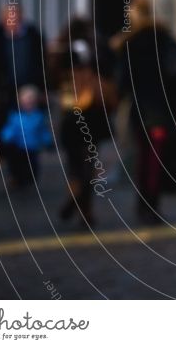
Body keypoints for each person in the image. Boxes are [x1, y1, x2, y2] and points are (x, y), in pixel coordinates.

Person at [113, 0, 176, 224]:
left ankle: (144, 204)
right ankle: (151, 204)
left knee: (143, 157)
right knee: (155, 158)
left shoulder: (130, 43)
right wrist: (173, 98)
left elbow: (122, 81)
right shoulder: (164, 39)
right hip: (160, 109)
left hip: (141, 108)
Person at [54, 18, 117, 228]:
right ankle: (85, 210)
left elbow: (51, 76)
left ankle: (76, 198)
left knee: (74, 164)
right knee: (89, 162)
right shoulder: (98, 46)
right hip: (94, 114)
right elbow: (111, 72)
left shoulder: (63, 48)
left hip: (72, 112)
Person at [0, 5, 46, 129]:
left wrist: (41, 88)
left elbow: (42, 64)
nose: (11, 22)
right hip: (5, 92)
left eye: (14, 18)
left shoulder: (34, 37)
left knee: (29, 126)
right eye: (8, 19)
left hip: (29, 89)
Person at [0, 85, 52, 188]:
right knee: (17, 164)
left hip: (32, 147)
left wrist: (47, 141)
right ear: (20, 101)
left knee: (33, 165)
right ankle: (18, 178)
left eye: (31, 100)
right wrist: (6, 136)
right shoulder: (15, 116)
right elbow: (10, 128)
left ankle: (30, 179)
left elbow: (43, 131)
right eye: (26, 100)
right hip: (19, 147)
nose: (28, 102)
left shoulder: (38, 116)